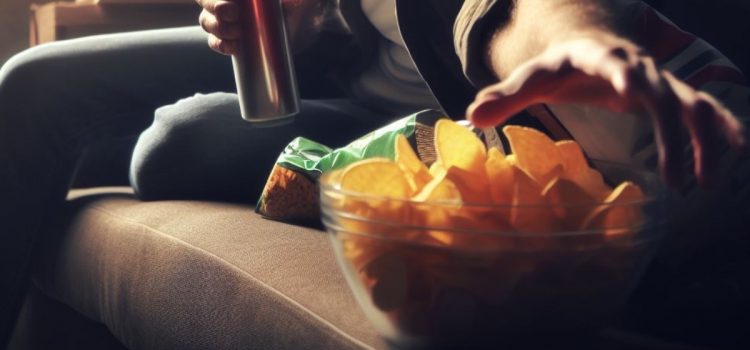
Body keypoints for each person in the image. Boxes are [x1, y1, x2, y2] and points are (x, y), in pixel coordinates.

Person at [0, 0, 746, 347]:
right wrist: (300, 21)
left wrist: (580, 45)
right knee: (32, 81)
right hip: (342, 79)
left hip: (450, 121)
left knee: (171, 145)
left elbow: (520, 11)